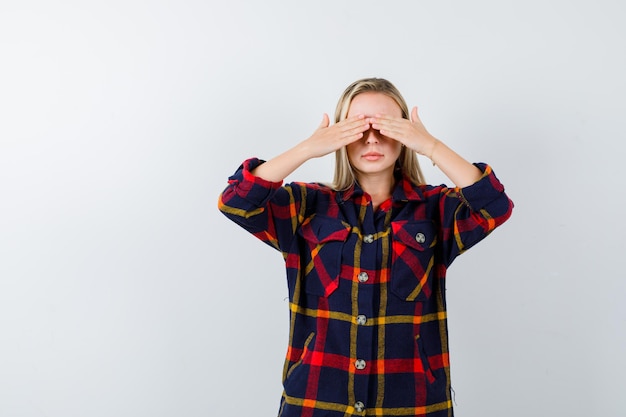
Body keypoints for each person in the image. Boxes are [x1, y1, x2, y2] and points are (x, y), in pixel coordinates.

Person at [218, 78, 513, 417]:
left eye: (387, 126)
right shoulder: (307, 205)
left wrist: (430, 146)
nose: (372, 138)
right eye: (358, 126)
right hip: (316, 402)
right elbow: (236, 202)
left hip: (413, 404)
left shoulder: (435, 209)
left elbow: (495, 206)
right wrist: (307, 149)